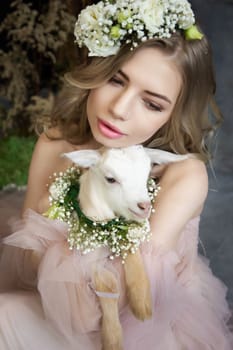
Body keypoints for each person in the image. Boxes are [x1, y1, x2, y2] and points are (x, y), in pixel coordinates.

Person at [0, 0, 232, 349]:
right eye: (115, 79)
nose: (119, 109)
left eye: (151, 103)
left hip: (143, 325)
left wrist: (65, 227)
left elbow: (131, 298)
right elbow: (29, 269)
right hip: (57, 309)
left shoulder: (184, 174)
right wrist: (57, 210)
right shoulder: (55, 144)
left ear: (173, 114)